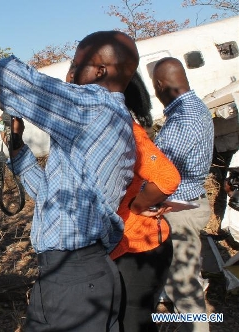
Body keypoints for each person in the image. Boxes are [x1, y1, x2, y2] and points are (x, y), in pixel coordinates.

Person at [0, 31, 139, 331]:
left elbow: (8, 72)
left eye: (77, 64)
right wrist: (18, 148)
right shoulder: (114, 119)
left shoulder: (96, 106)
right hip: (74, 277)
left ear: (100, 71)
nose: (69, 73)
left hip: (74, 281)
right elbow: (53, 197)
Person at [109, 72, 181, 332]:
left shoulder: (125, 130)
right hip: (120, 245)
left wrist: (137, 206)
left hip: (139, 247)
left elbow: (166, 176)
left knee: (135, 323)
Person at [152, 57, 214, 332]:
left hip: (179, 208)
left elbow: (161, 173)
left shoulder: (183, 120)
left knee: (185, 290)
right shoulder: (193, 107)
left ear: (159, 85)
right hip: (189, 202)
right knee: (180, 284)